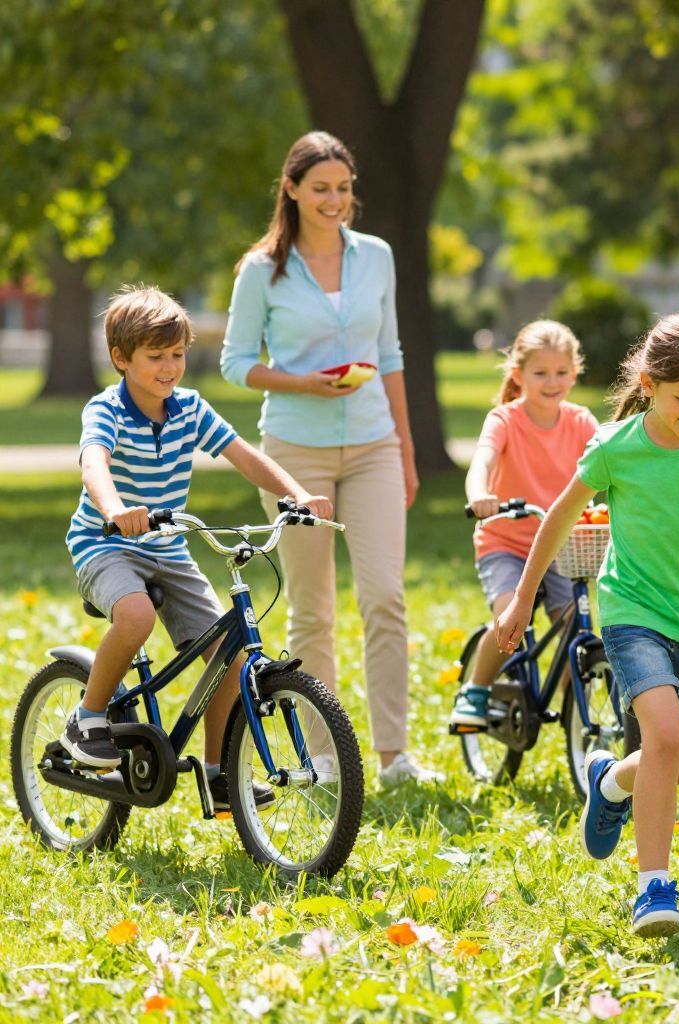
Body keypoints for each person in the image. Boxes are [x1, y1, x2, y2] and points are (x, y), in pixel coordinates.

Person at [490, 309, 679, 937]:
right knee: (665, 741)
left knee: (677, 761)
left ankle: (609, 781)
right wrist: (521, 598)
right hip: (631, 612)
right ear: (648, 383)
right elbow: (558, 520)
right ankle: (654, 888)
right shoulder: (619, 447)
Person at [62, 285, 332, 814]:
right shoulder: (107, 409)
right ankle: (88, 717)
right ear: (121, 358)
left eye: (178, 355)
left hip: (167, 547)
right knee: (135, 615)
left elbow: (243, 454)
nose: (169, 367)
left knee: (229, 656)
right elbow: (94, 460)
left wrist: (295, 495)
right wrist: (116, 506)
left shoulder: (189, 408)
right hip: (106, 542)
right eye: (155, 357)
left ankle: (218, 773)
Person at [221, 131, 439, 786]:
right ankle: (322, 754)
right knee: (313, 610)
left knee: (385, 596)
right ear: (291, 190)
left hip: (373, 445)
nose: (336, 200)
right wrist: (303, 382)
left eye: (344, 188)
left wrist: (403, 448)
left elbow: (393, 355)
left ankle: (396, 755)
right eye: (321, 189)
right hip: (294, 454)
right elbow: (235, 365)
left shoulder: (376, 257)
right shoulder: (263, 270)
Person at [450, 321, 599, 731]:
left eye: (561, 373)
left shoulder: (581, 421)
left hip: (561, 546)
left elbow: (611, 459)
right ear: (518, 375)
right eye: (540, 373)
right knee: (510, 620)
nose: (553, 382)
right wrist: (479, 491)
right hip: (507, 542)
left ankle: (578, 713)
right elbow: (483, 459)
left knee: (575, 622)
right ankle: (476, 689)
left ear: (574, 371)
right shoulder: (505, 419)